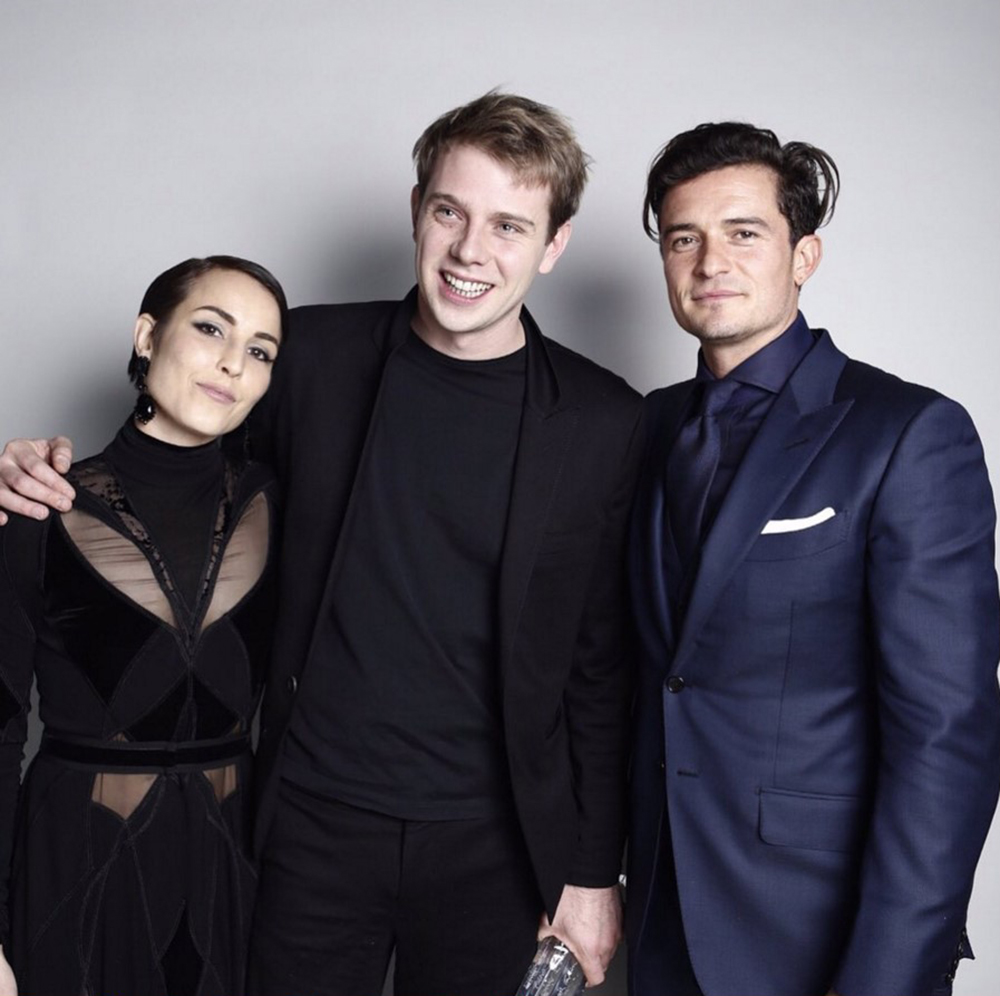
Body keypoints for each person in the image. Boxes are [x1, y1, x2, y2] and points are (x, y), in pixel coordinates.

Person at [0, 93, 642, 995]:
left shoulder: (603, 419)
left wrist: (591, 871)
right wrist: (33, 472)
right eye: (450, 211)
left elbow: (600, 666)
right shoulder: (311, 357)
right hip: (309, 822)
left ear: (554, 243)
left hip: (494, 846)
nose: (470, 251)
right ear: (417, 210)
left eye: (509, 224)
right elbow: (177, 474)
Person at [627, 121, 1000, 996]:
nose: (710, 260)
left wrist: (887, 975)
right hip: (661, 918)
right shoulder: (640, 426)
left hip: (824, 936)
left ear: (805, 256)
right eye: (685, 238)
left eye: (743, 232)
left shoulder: (908, 433)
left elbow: (948, 738)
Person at [0, 255, 287, 996]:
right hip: (75, 862)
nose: (232, 363)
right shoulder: (39, 506)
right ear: (146, 335)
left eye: (259, 351)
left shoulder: (284, 504)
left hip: (233, 868)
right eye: (210, 329)